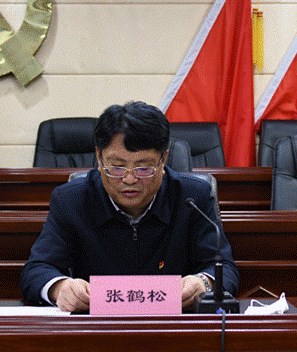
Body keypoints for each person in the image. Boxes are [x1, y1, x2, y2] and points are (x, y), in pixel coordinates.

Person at [20, 101, 239, 312]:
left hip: (172, 326)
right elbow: (36, 270)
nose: (130, 179)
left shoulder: (192, 198)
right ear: (99, 158)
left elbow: (225, 270)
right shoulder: (72, 200)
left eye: (143, 168)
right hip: (97, 328)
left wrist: (203, 283)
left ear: (163, 160)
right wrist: (60, 288)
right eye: (117, 167)